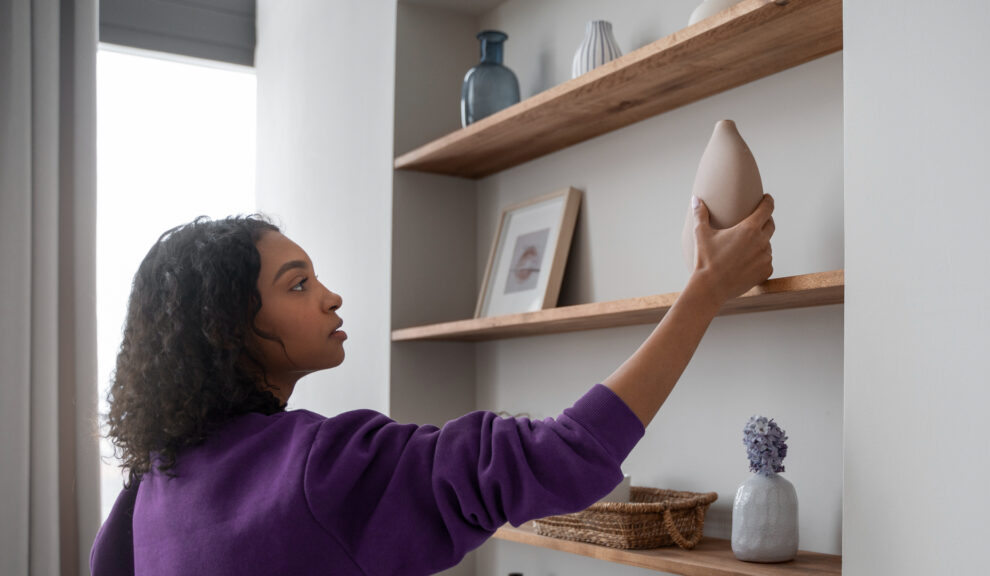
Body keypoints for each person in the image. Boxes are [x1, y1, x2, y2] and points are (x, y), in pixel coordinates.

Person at [91, 193, 774, 575]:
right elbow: (565, 457)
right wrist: (705, 291)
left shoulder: (150, 487)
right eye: (298, 284)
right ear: (227, 328)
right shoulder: (323, 469)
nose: (330, 298)